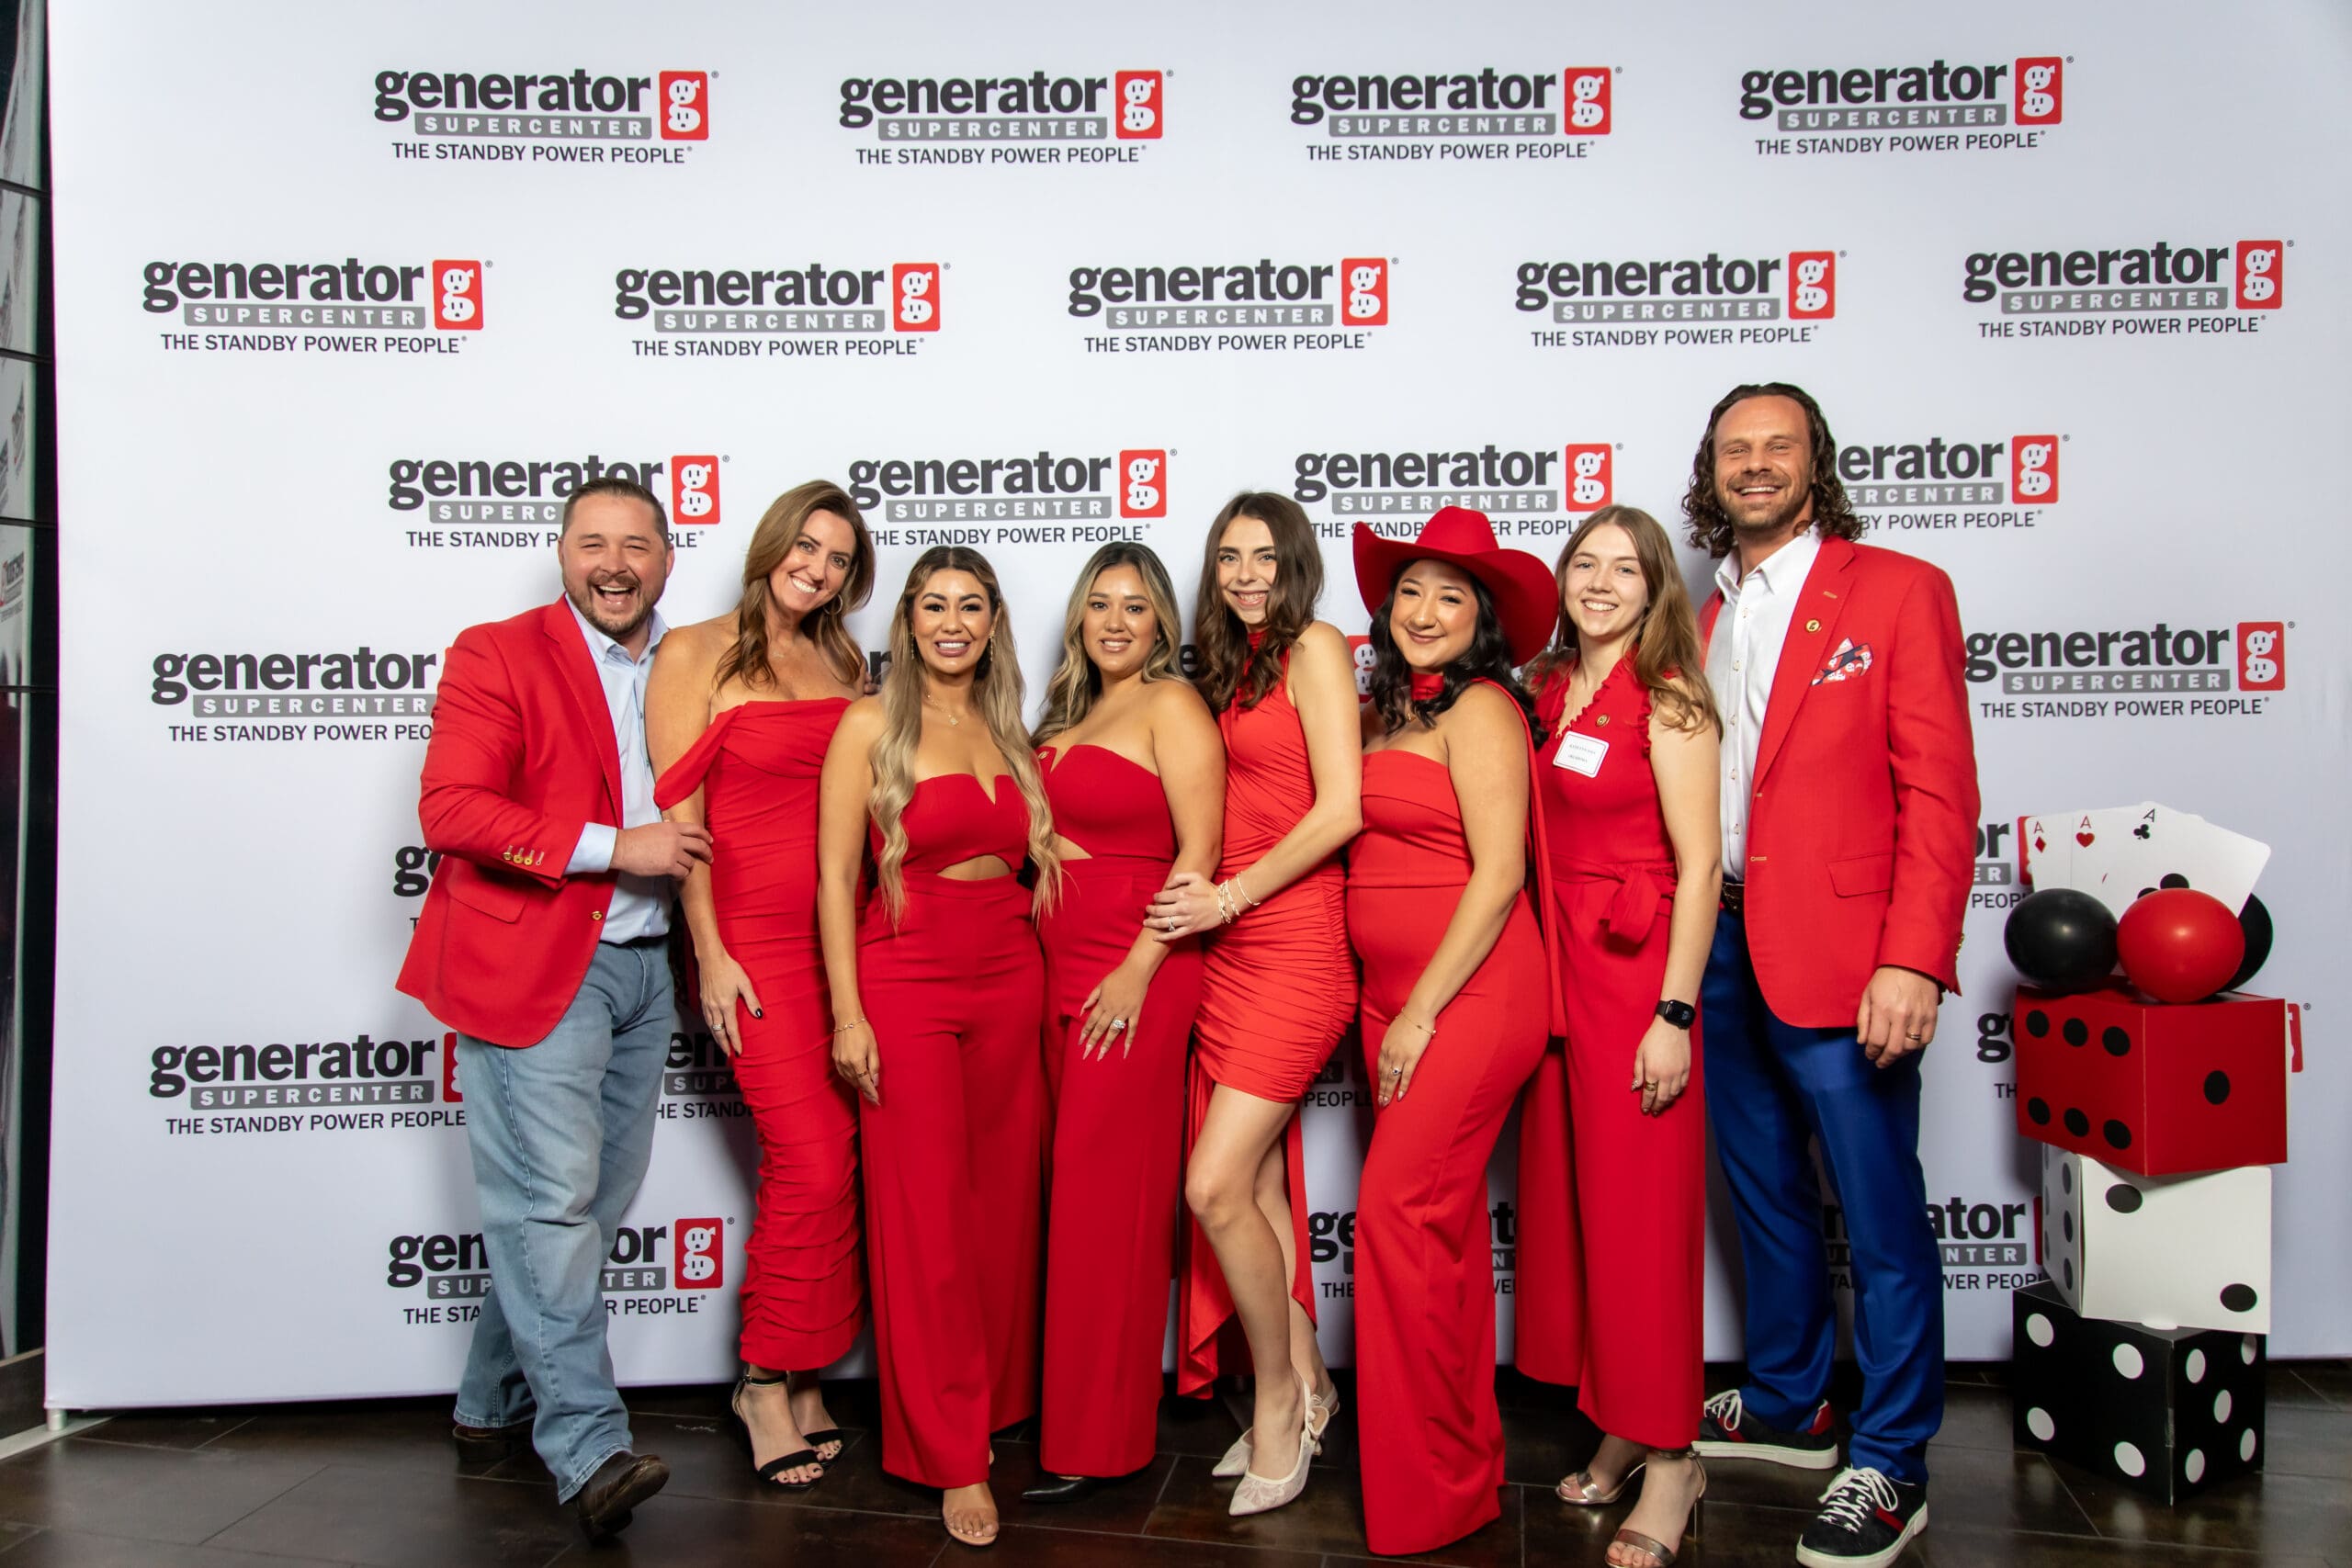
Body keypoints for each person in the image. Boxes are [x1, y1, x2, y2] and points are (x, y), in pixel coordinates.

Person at [1681, 383, 1977, 1568]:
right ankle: (1789, 1400)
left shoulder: (1898, 589)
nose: (1754, 465)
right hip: (1723, 944)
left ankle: (1893, 1460)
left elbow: (1940, 793)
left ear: (1816, 464)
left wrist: (1912, 957)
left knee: (1881, 1212)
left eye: (1777, 446)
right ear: (1710, 472)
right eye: (1734, 449)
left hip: (1850, 956)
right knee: (1762, 1191)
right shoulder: (1704, 611)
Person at [396, 477, 710, 1543]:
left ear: (667, 559)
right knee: (552, 1209)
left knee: (577, 1211)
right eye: (592, 544)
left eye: (636, 544)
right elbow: (451, 808)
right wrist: (616, 846)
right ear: (562, 553)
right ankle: (587, 1447)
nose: (614, 564)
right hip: (534, 962)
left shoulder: (691, 661)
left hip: (647, 968)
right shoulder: (498, 653)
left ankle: (488, 1404)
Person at [817, 546, 1058, 1548]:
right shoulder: (871, 723)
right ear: (908, 622)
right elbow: (835, 878)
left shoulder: (1009, 728)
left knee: (1000, 1211)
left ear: (994, 622)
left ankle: (992, 1405)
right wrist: (848, 1013)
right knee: (925, 1220)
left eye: (970, 606)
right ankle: (952, 1453)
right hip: (906, 975)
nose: (951, 623)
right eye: (932, 606)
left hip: (1010, 972)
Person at [645, 480, 876, 1490]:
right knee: (809, 1158)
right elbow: (680, 814)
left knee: (844, 1157)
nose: (816, 569)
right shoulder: (694, 653)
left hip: (846, 936)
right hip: (752, 942)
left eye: (838, 559)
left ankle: (808, 1369)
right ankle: (762, 1380)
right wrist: (709, 947)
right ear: (772, 542)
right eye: (806, 546)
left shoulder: (846, 662)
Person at [1345, 508, 1560, 1555]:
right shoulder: (1381, 712)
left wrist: (1421, 1010)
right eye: (1411, 592)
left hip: (1467, 996)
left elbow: (1500, 872)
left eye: (1451, 596)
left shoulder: (1482, 707)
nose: (1424, 612)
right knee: (1440, 1234)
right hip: (1388, 998)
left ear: (1483, 620)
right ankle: (1461, 1469)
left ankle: (1428, 1491)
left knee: (1396, 1216)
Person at [1520, 505, 1722, 1568]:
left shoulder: (1671, 699)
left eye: (1624, 570)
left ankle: (1675, 1456)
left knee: (1642, 1226)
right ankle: (1622, 1424)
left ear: (1655, 588)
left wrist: (1673, 1015)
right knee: (1584, 1220)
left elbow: (1700, 867)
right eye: (1584, 565)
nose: (1600, 583)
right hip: (1559, 975)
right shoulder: (1547, 688)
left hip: (1635, 980)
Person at [1149, 492, 1358, 1518]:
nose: (1244, 575)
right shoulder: (1234, 666)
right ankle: (1312, 1384)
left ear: (1296, 563)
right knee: (1264, 1186)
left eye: (1264, 557)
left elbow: (1342, 808)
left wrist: (1228, 896)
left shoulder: (1315, 646)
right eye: (1228, 557)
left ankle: (1275, 1399)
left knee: (1213, 1185)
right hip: (1227, 952)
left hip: (1296, 945)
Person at [1022, 543, 1225, 1504]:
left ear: (1160, 625)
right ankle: (1065, 1411)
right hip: (1053, 970)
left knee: (1110, 1203)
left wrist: (1141, 967)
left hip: (1133, 970)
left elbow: (1201, 849)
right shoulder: (1065, 715)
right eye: (1099, 604)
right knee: (1071, 1198)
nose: (1113, 622)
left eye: (1134, 607)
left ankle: (1099, 1438)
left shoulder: (1171, 704)